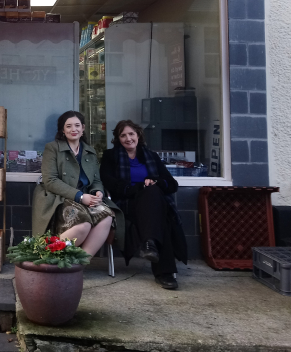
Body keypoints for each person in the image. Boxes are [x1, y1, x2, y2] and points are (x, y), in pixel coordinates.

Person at [100, 120, 187, 290]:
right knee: (161, 214)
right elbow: (111, 185)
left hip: (153, 204)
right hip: (127, 204)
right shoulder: (111, 157)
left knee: (154, 196)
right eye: (123, 135)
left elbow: (172, 184)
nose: (128, 138)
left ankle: (150, 244)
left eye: (131, 134)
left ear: (138, 135)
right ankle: (165, 273)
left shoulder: (151, 156)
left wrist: (155, 182)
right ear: (118, 139)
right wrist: (139, 187)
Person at [32, 111, 124, 257]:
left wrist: (98, 191)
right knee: (83, 224)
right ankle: (46, 257)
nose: (73, 129)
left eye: (77, 125)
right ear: (62, 130)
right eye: (68, 126)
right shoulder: (53, 148)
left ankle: (80, 264)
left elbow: (96, 180)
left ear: (83, 128)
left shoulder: (89, 151)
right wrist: (80, 196)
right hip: (59, 197)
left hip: (87, 196)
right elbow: (50, 181)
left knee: (106, 216)